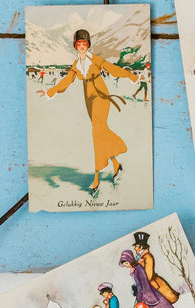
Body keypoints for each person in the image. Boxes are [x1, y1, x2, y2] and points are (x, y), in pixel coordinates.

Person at [38, 29, 138, 196]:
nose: (82, 47)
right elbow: (66, 81)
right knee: (101, 132)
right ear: (75, 46)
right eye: (79, 44)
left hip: (100, 95)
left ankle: (97, 176)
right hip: (88, 99)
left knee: (96, 133)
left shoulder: (95, 59)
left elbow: (112, 68)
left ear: (88, 45)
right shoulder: (76, 65)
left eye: (84, 44)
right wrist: (50, 91)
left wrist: (131, 76)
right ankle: (115, 165)